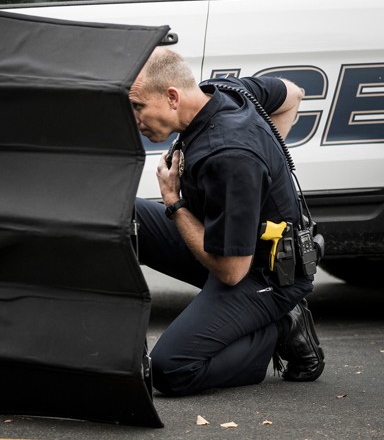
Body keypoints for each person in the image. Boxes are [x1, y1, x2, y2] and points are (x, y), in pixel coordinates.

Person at [130, 47, 324, 396]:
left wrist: (173, 201)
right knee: (126, 216)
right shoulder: (226, 91)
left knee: (171, 369)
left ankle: (278, 326)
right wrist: (269, 161)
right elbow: (293, 93)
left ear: (172, 97)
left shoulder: (231, 157)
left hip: (261, 273)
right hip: (226, 242)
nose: (135, 118)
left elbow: (231, 271)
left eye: (138, 107)